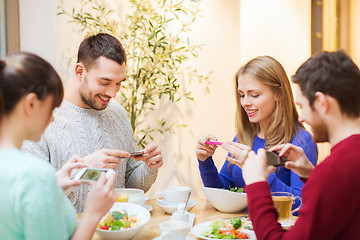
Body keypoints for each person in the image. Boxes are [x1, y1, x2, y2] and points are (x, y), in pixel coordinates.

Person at [21, 33, 163, 212]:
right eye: (105, 82)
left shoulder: (117, 113)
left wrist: (149, 166)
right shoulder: (42, 120)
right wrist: (83, 169)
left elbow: (130, 184)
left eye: (119, 83)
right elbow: (33, 198)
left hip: (115, 228)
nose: (113, 93)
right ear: (80, 72)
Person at [233, 50, 360, 239]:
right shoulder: (348, 160)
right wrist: (311, 175)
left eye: (302, 106)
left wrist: (258, 183)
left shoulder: (337, 169)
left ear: (322, 102)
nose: (301, 117)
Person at [0, 52, 115, 240]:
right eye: (51, 108)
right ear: (30, 104)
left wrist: (54, 186)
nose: (53, 118)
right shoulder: (35, 175)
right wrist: (93, 213)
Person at [196, 56, 318, 200]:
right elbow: (223, 191)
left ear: (278, 93)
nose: (245, 102)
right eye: (241, 95)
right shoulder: (244, 137)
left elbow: (301, 203)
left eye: (254, 95)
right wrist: (205, 162)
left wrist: (259, 174)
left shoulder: (300, 142)